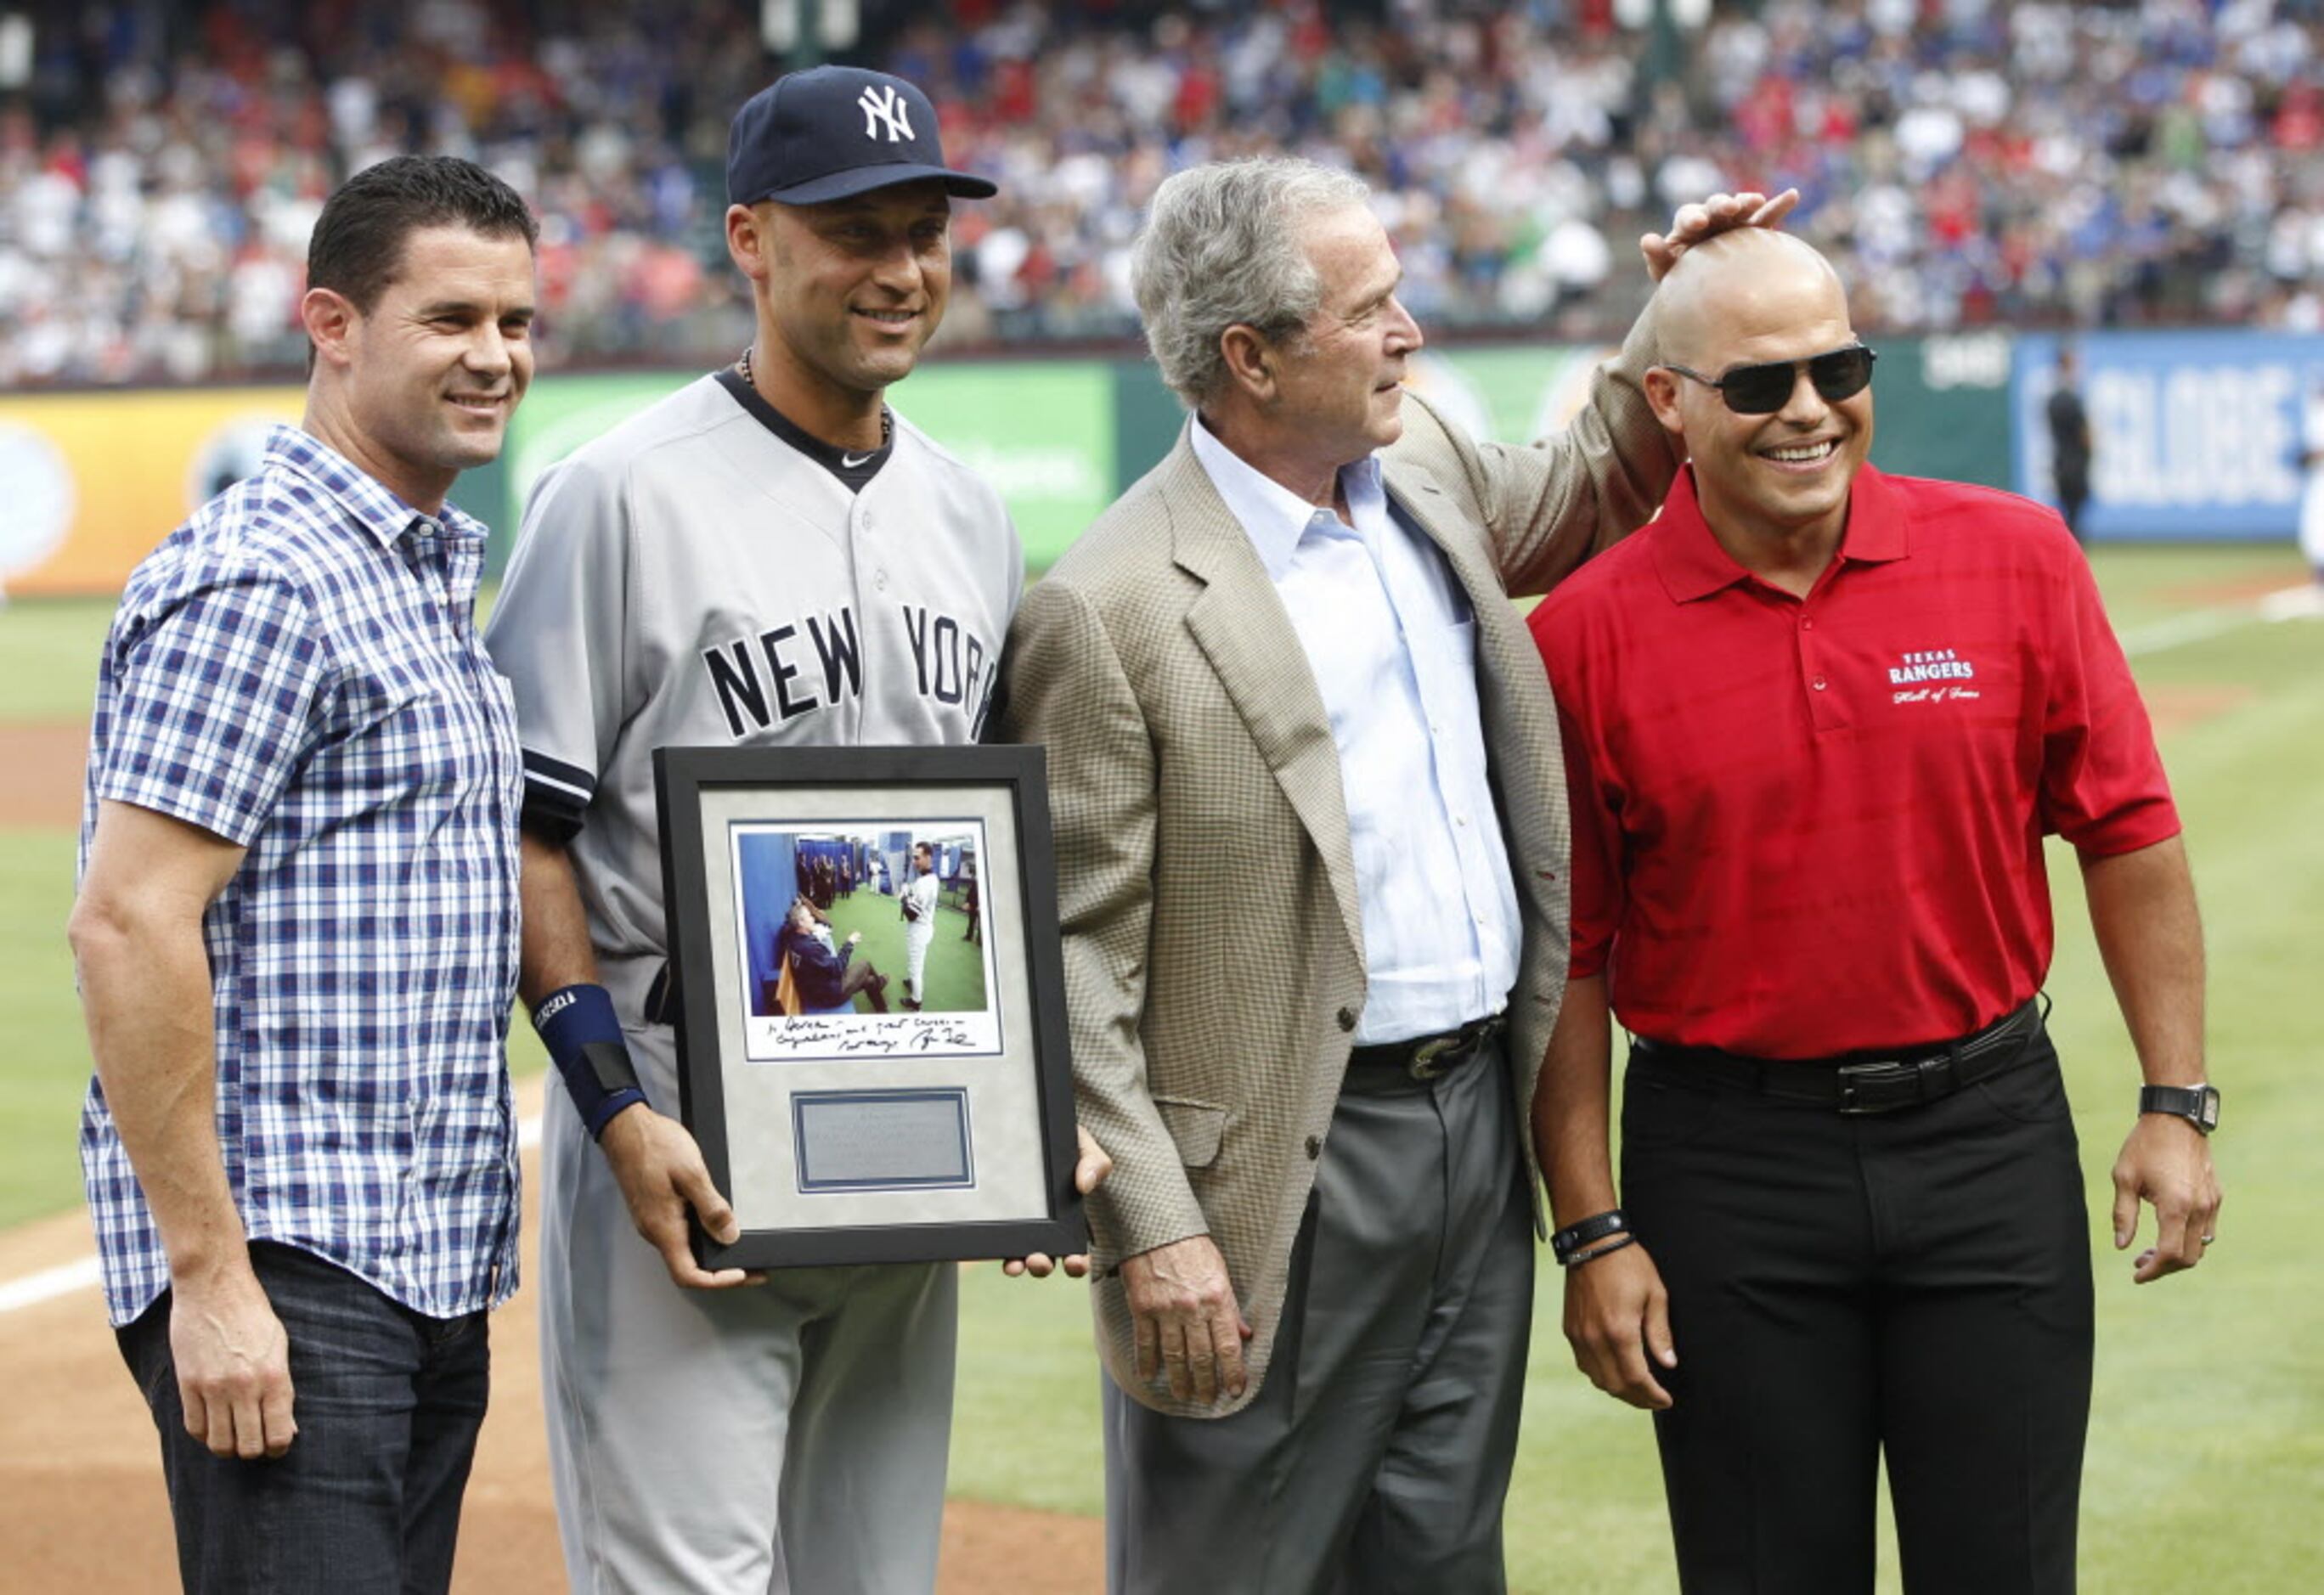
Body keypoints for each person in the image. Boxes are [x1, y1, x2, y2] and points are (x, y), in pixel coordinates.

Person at [999, 155, 1791, 1593]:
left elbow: (1604, 474)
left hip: (1472, 1126)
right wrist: (1156, 1225)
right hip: (1273, 1163)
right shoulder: (1107, 605)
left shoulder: (1416, 464)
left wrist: (1667, 303)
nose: (1412, 332)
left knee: (1438, 1551)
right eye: (1371, 309)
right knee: (1233, 1561)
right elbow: (1066, 952)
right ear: (1251, 355)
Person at [482, 66, 1105, 1594]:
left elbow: (971, 868)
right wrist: (615, 1113)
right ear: (751, 241)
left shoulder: (969, 514)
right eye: (853, 233)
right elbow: (522, 832)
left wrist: (1025, 1113)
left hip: (910, 1152)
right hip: (685, 1149)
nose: (897, 268)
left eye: (923, 232)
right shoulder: (616, 495)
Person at [1529, 229, 2222, 1594]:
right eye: (1758, 383)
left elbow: (2129, 825)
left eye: (1837, 367)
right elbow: (1571, 959)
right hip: (1726, 1172)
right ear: (1665, 400)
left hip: (1988, 1141)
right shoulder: (1582, 633)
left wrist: (2176, 1098)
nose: (1806, 408)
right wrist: (1593, 1226)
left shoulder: (2015, 555)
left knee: (2009, 1569)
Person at [66, 155, 537, 1592]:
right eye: (451, 317)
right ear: (331, 323)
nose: (496, 356)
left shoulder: (414, 570)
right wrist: (210, 1278)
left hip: (419, 1260)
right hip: (292, 1256)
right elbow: (129, 919)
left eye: (518, 323)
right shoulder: (268, 575)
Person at [775, 895, 891, 1012]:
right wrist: (849, 943)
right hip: (830, 994)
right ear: (801, 923)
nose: (813, 918)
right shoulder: (809, 949)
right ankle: (880, 983)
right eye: (809, 916)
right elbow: (838, 967)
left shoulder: (792, 936)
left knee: (870, 981)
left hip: (818, 988)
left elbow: (786, 926)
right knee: (865, 964)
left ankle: (882, 1009)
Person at [2048, 343, 2094, 542]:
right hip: (2076, 466)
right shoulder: (2072, 400)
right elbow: (2085, 436)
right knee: (2075, 519)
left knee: (2067, 515)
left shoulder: (2053, 399)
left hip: (2060, 464)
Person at [900, 839, 941, 1009]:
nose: (914, 861)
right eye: (913, 857)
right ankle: (912, 983)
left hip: (919, 929)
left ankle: (916, 1001)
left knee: (916, 966)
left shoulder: (925, 883)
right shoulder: (930, 878)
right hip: (925, 926)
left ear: (928, 857)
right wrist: (910, 893)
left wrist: (904, 896)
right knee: (914, 961)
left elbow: (910, 914)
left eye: (917, 858)